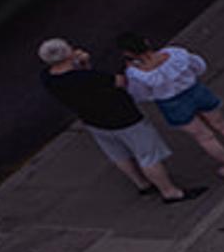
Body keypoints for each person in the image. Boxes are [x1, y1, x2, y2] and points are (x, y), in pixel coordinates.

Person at [37, 37, 188, 201]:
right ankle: (170, 191)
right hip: (123, 117)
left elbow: (79, 81)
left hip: (94, 121)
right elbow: (120, 82)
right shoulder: (88, 77)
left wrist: (79, 65)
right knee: (148, 156)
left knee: (119, 155)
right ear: (67, 54)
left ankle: (142, 184)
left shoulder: (48, 78)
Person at [116, 32, 224, 178]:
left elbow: (141, 94)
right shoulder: (175, 53)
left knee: (205, 137)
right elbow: (199, 66)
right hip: (196, 91)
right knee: (223, 125)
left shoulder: (136, 73)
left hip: (172, 103)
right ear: (146, 42)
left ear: (128, 53)